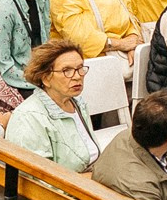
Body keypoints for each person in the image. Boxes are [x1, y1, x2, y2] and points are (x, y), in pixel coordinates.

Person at [5, 38, 101, 173]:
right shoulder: (28, 117)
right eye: (66, 70)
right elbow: (40, 180)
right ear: (45, 78)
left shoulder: (78, 103)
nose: (77, 76)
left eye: (80, 68)